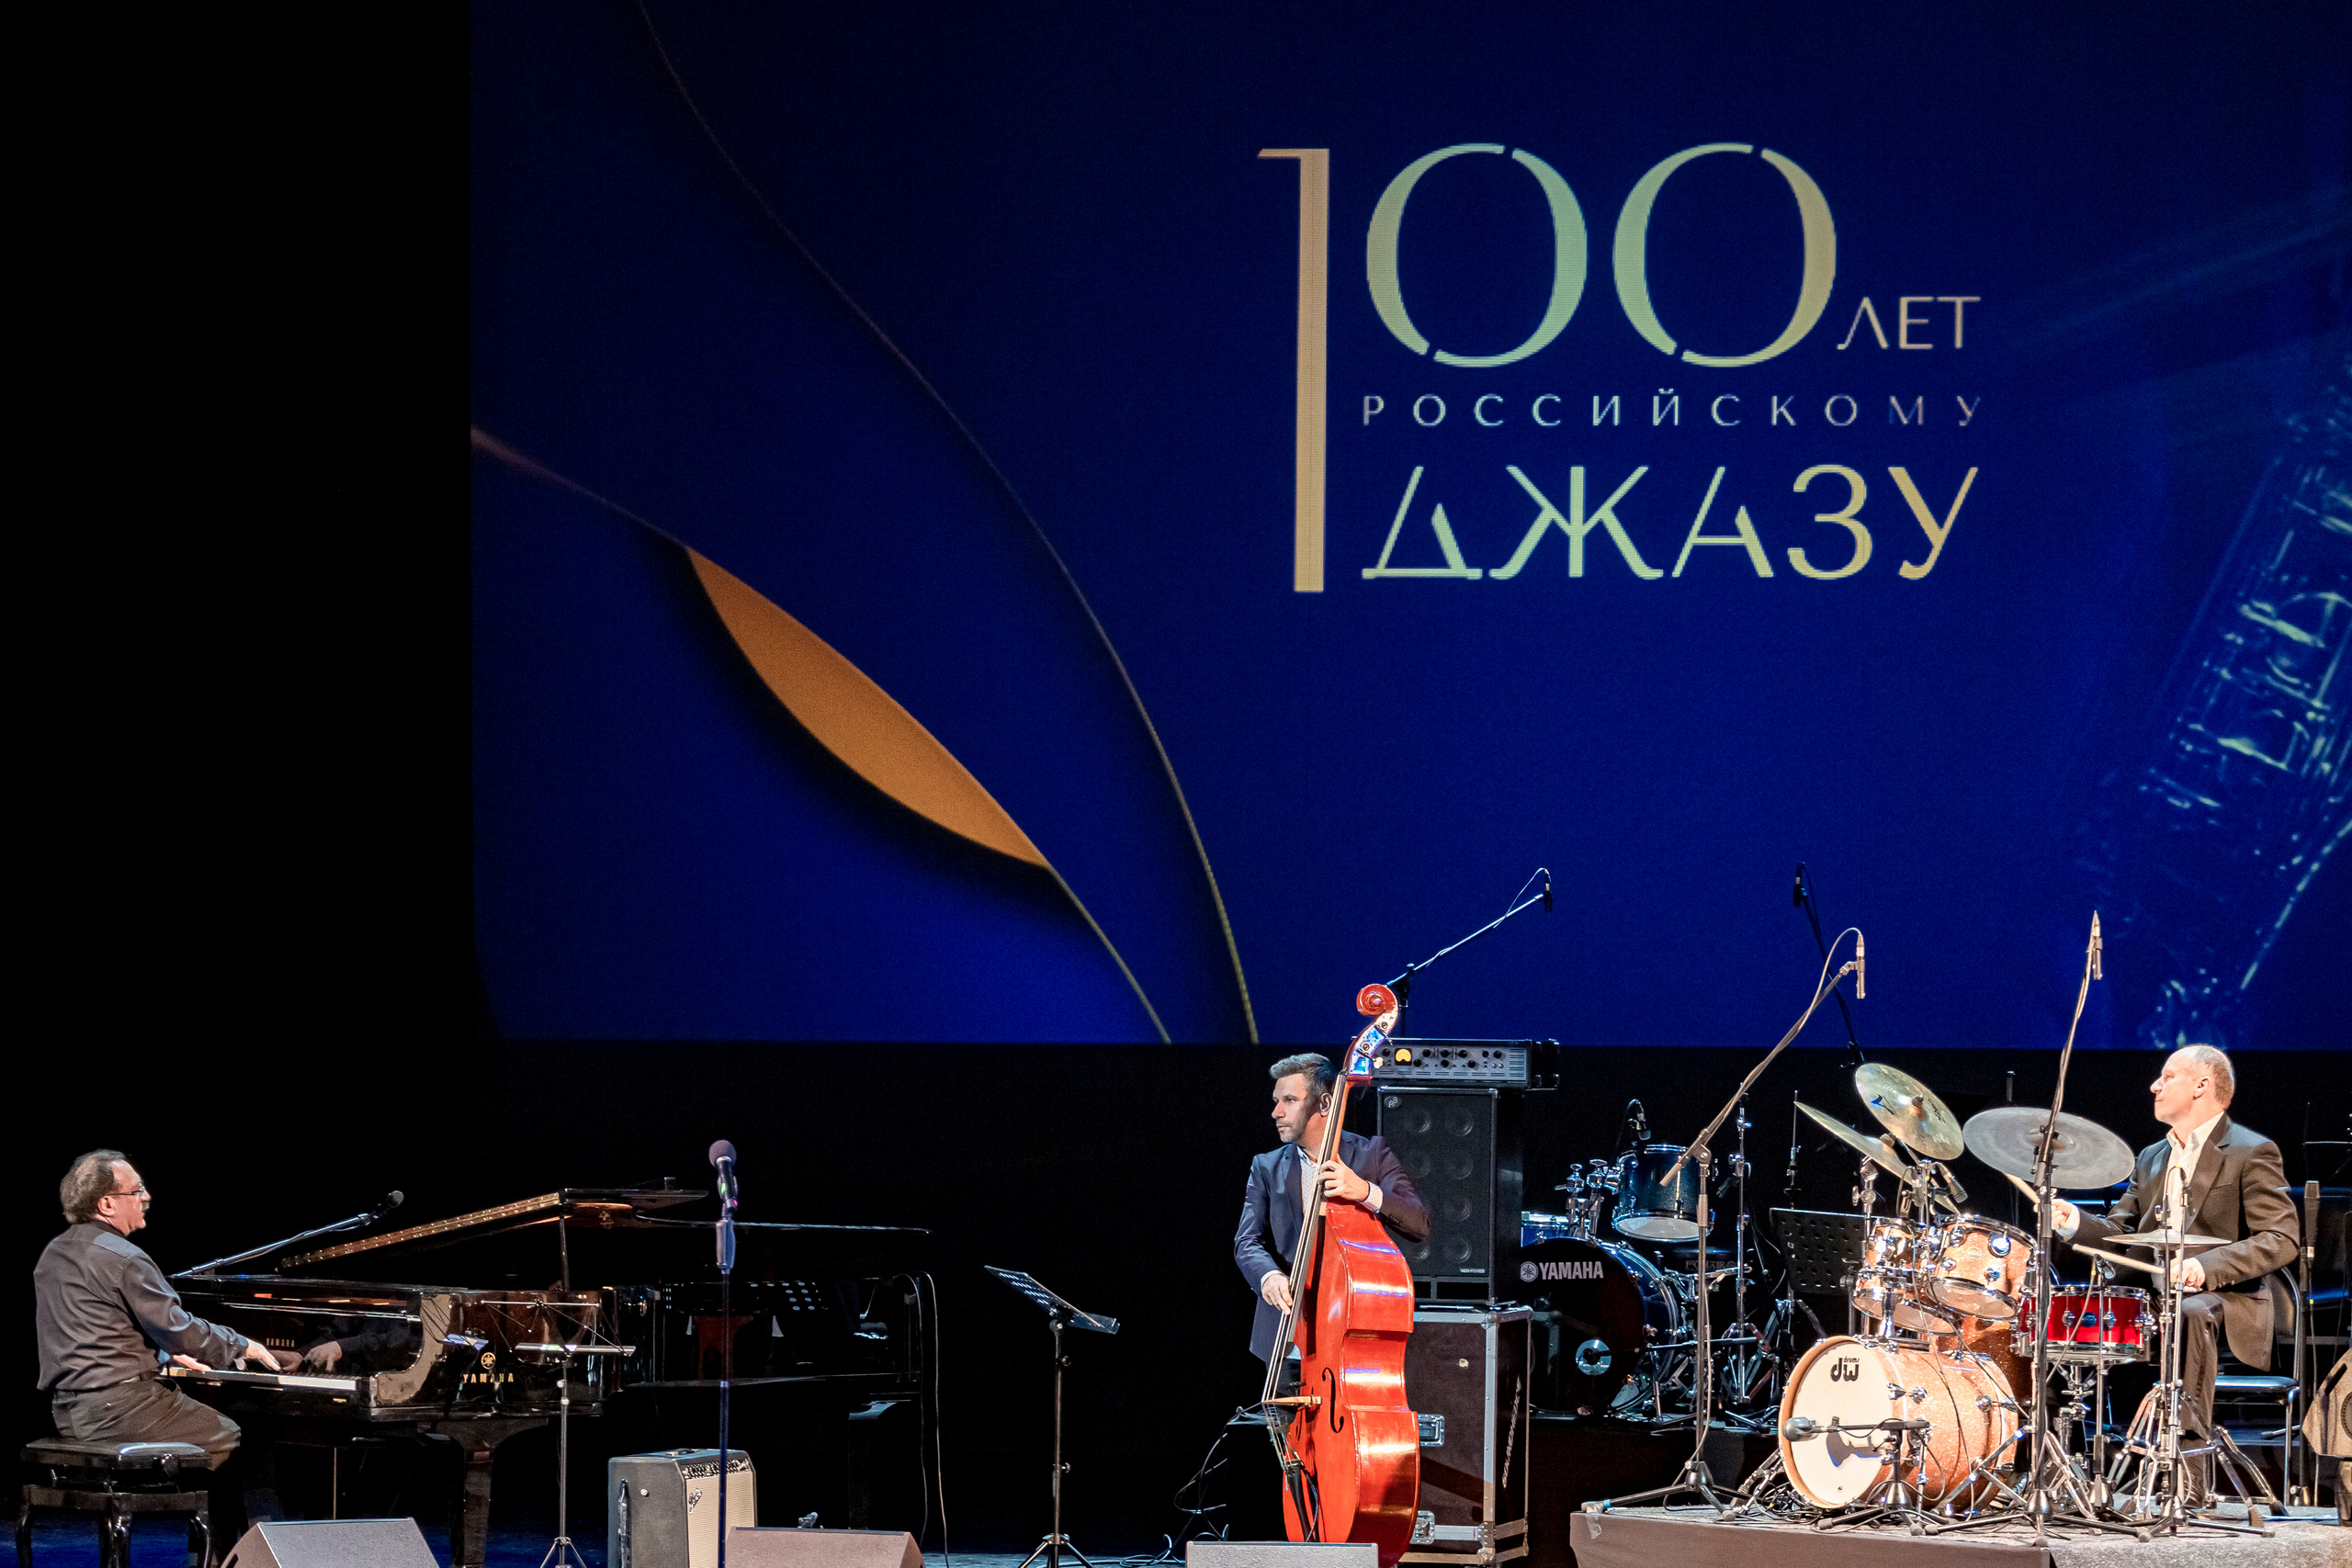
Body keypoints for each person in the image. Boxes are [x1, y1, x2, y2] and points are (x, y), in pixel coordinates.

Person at [2050, 1045, 2298, 1500]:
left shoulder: (2251, 1150)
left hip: (2226, 1299)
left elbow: (2280, 1238)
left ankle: (2188, 1473)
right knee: (2058, 1317)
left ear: (2202, 1085)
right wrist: (2073, 1222)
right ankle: (2062, 1466)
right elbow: (2121, 1236)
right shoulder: (2151, 1157)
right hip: (2154, 1297)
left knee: (2189, 1312)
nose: (2155, 1086)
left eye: (2167, 1077)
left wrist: (2205, 1266)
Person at [34, 1150, 283, 1459]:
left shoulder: (54, 1253)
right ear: (107, 1204)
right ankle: (186, 1492)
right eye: (136, 1190)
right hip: (123, 1410)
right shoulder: (124, 1257)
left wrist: (165, 1354)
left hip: (69, 1409)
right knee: (244, 1441)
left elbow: (96, 1332)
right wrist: (240, 1345)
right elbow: (178, 1330)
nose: (146, 1197)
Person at [1234, 1053, 1430, 1364]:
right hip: (1288, 1335)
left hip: (1354, 1326)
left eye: (1289, 1100)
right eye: (1276, 1101)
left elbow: (1418, 1222)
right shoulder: (1266, 1166)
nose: (1276, 1112)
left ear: (1324, 1103)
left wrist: (1364, 1191)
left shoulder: (1372, 1154)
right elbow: (1246, 1241)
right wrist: (1268, 1275)